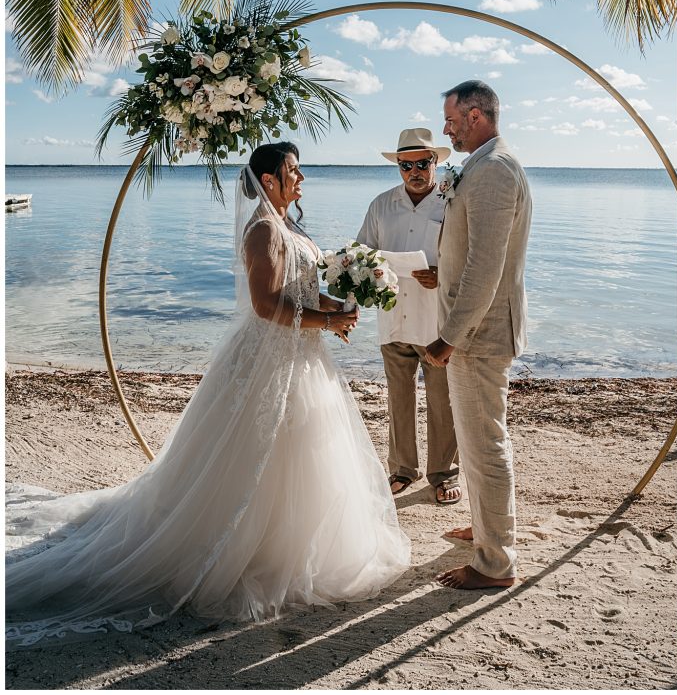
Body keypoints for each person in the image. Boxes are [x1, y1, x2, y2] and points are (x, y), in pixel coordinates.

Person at [6, 142, 410, 647]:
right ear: (268, 181)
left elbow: (300, 290)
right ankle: (243, 552)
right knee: (255, 457)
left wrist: (340, 305)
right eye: (292, 171)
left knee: (309, 451)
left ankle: (287, 548)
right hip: (267, 360)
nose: (300, 177)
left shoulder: (290, 227)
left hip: (304, 359)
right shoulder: (263, 230)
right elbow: (266, 305)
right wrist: (327, 320)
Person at [424, 81, 532, 590]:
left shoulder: (493, 170)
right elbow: (466, 252)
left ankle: (495, 562)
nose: (445, 129)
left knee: (485, 442)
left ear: (474, 116)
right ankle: (487, 527)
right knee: (474, 438)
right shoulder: (484, 165)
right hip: (476, 328)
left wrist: (448, 336)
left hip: (479, 333)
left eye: (450, 119)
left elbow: (486, 268)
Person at [357, 127, 461, 505]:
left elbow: (470, 257)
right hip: (393, 317)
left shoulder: (452, 202)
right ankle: (402, 469)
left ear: (435, 162)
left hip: (438, 322)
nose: (414, 171)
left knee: (442, 400)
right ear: (398, 167)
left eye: (422, 163)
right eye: (406, 165)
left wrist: (441, 274)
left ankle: (444, 473)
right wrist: (371, 274)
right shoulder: (381, 205)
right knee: (397, 399)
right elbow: (362, 253)